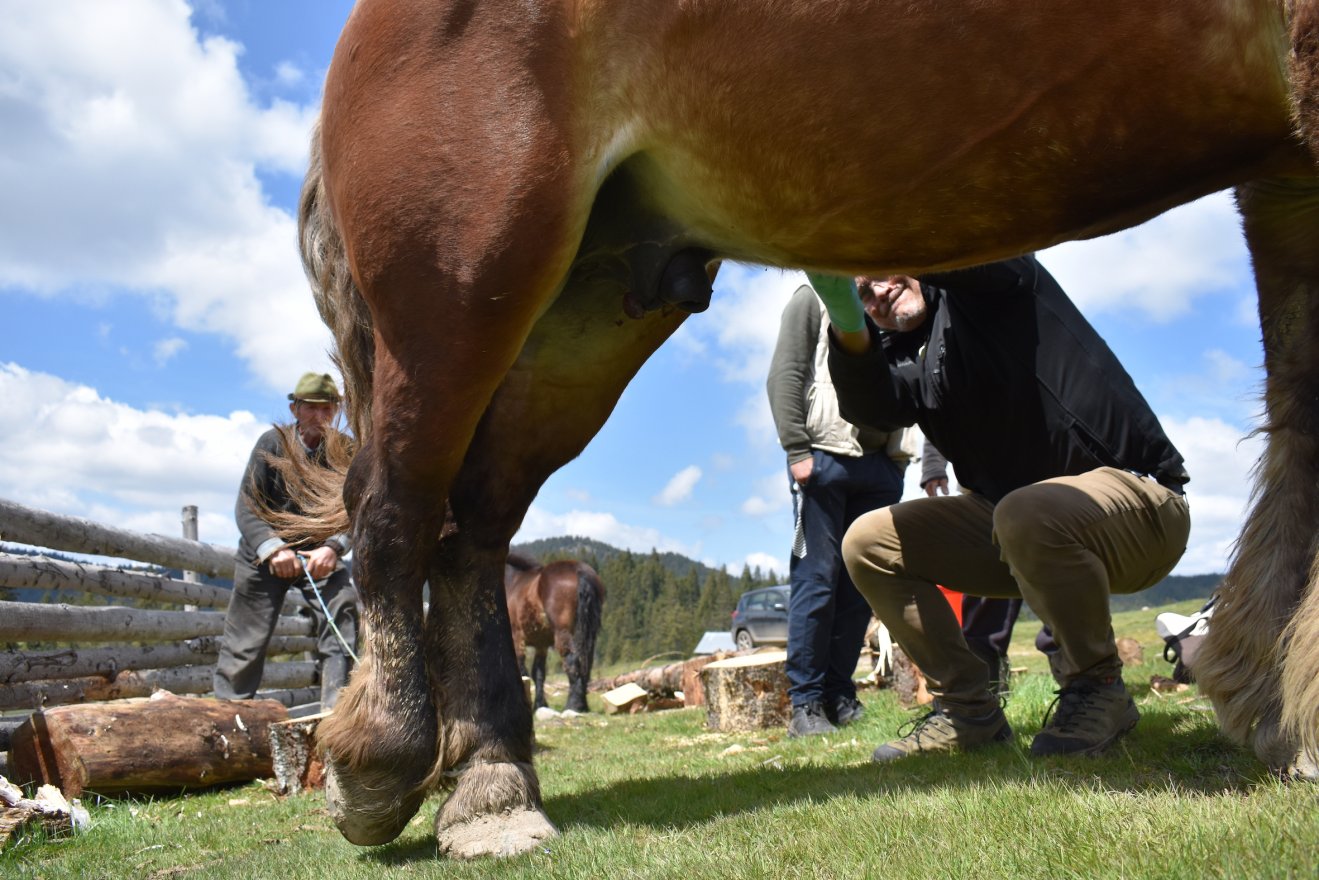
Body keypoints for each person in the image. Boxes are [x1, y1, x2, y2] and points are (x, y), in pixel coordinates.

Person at [809, 255, 1190, 760]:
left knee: (1023, 512)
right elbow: (871, 408)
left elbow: (977, 261)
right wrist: (844, 318)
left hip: (1141, 506)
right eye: (860, 294)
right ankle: (968, 713)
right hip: (1022, 528)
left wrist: (889, 235)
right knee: (868, 542)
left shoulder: (995, 286)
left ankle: (1098, 689)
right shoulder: (901, 356)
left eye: (882, 271)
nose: (877, 292)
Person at [767, 283, 912, 737]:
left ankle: (839, 694)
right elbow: (785, 373)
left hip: (879, 464)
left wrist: (896, 464)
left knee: (858, 587)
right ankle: (806, 704)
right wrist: (796, 449)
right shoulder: (812, 297)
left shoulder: (887, 302)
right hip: (822, 459)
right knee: (817, 582)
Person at [214, 372, 359, 710]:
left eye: (327, 408)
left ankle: (336, 714)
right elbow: (246, 506)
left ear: (337, 410)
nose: (320, 416)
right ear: (295, 409)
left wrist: (334, 547)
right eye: (311, 408)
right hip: (264, 555)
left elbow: (356, 509)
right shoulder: (272, 443)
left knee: (342, 614)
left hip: (319, 555)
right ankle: (231, 713)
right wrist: (273, 548)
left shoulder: (346, 451)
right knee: (245, 641)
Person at [920, 439, 1030, 696]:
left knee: (1063, 587)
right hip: (985, 487)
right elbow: (939, 415)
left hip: (1051, 484)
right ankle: (985, 689)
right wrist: (934, 466)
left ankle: (1085, 686)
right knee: (986, 592)